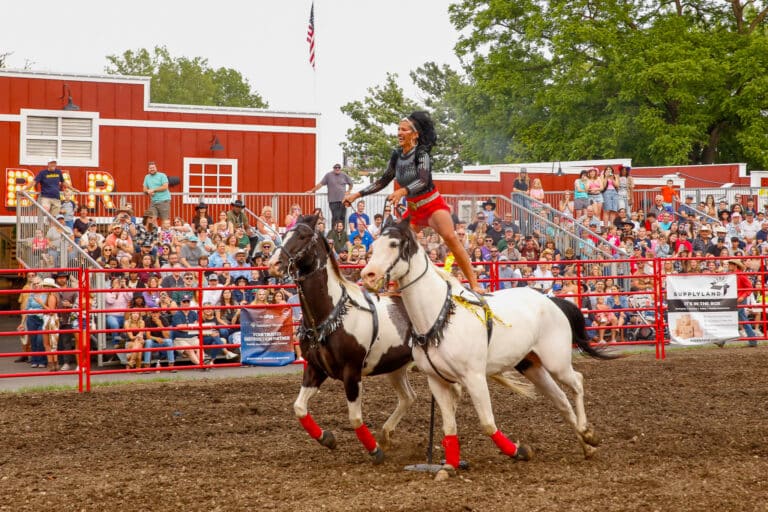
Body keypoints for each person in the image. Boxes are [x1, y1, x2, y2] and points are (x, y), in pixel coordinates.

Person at [344, 111, 483, 294]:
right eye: (398, 129)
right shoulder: (397, 155)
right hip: (413, 209)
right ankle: (394, 288)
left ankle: (474, 284)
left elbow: (423, 180)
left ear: (415, 134)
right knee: (397, 244)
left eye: (404, 129)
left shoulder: (422, 154)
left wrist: (402, 190)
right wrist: (357, 195)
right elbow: (383, 180)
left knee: (451, 239)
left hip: (432, 205)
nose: (399, 133)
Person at [716, 259, 758, 347]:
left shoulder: (741, 275)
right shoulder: (730, 275)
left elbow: (749, 287)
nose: (729, 265)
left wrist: (742, 296)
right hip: (734, 299)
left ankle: (722, 340)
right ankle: (753, 340)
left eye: (731, 264)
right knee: (742, 319)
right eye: (729, 264)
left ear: (735, 265)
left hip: (739, 300)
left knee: (734, 318)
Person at [307, 163, 353, 232]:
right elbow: (320, 184)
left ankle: (342, 233)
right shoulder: (328, 175)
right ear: (333, 168)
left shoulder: (344, 175)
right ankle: (334, 233)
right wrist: (312, 191)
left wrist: (349, 191)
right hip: (332, 201)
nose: (337, 169)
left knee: (342, 217)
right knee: (335, 217)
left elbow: (351, 183)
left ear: (340, 168)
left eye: (339, 167)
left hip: (343, 200)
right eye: (336, 168)